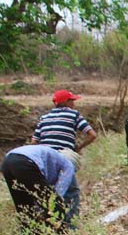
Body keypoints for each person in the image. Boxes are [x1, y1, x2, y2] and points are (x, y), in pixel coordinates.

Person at [31, 89, 96, 222]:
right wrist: (78, 148)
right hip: (63, 158)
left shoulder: (44, 118)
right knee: (71, 193)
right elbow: (92, 135)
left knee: (46, 191)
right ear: (66, 102)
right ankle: (70, 227)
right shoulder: (74, 115)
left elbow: (34, 142)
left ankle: (46, 222)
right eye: (72, 100)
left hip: (44, 159)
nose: (74, 103)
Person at [1, 144, 80, 235]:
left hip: (7, 163)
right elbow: (58, 192)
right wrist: (53, 206)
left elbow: (37, 189)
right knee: (56, 206)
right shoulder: (68, 164)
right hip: (25, 162)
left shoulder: (50, 158)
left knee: (25, 209)